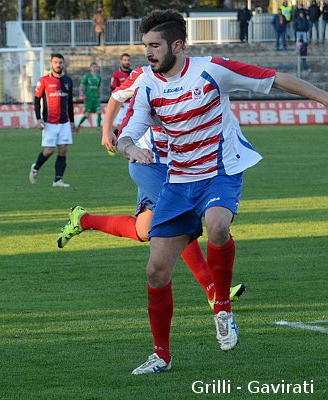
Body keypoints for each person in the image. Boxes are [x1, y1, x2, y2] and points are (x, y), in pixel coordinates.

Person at [115, 9, 328, 375]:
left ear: (177, 46)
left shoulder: (212, 69)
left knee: (216, 226)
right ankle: (161, 356)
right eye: (144, 46)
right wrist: (131, 148)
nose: (147, 53)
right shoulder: (147, 84)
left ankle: (223, 311)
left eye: (154, 46)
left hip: (220, 171)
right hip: (178, 180)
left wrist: (324, 98)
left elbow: (278, 79)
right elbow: (127, 133)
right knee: (156, 271)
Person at [59, 64, 246, 312]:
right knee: (179, 221)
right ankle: (213, 290)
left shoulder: (195, 74)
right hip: (151, 164)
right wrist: (107, 130)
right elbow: (116, 96)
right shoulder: (143, 75)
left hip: (182, 164)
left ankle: (83, 220)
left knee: (144, 230)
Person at [29, 53, 75, 188]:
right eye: (55, 62)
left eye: (60, 62)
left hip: (64, 122)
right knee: (49, 150)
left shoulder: (68, 81)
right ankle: (36, 167)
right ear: (51, 64)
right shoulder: (44, 81)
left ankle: (58, 180)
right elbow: (37, 100)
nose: (58, 65)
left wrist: (72, 121)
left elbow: (70, 103)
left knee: (62, 150)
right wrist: (38, 119)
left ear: (63, 64)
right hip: (49, 122)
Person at [76, 62, 102, 134]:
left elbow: (99, 87)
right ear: (90, 68)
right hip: (88, 98)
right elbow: (82, 85)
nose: (94, 68)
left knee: (99, 112)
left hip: (96, 98)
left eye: (95, 67)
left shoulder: (99, 77)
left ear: (97, 68)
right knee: (86, 115)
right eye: (92, 67)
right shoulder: (87, 76)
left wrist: (99, 95)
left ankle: (98, 129)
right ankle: (78, 126)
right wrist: (81, 94)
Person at [109, 53, 132, 131]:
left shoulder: (133, 73)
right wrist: (118, 101)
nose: (127, 62)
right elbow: (112, 88)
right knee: (120, 124)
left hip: (132, 102)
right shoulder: (116, 74)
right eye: (125, 60)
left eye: (128, 60)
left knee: (131, 124)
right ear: (121, 61)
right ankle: (115, 141)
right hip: (122, 103)